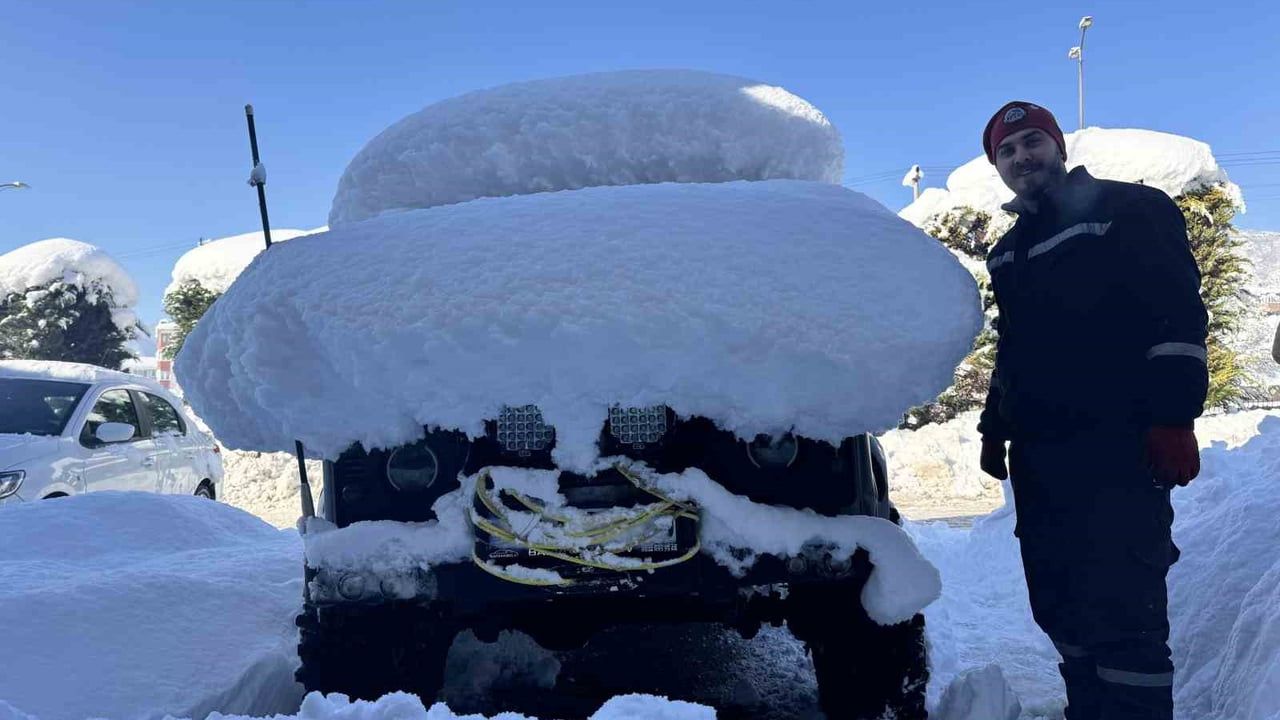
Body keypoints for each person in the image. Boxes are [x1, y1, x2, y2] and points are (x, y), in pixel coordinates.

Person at [976, 101, 1208, 720]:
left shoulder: (1130, 209)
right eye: (1006, 151)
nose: (1021, 157)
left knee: (1123, 616)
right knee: (1062, 609)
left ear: (1058, 146)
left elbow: (1177, 315)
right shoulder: (1007, 252)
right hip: (1041, 462)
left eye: (1032, 141)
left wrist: (1173, 418)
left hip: (1118, 452)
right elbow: (1012, 347)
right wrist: (994, 426)